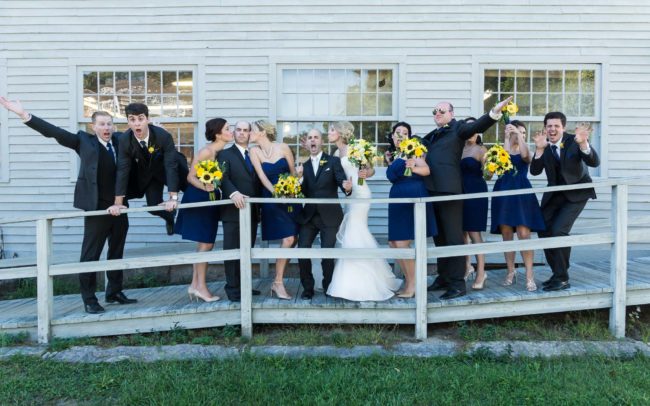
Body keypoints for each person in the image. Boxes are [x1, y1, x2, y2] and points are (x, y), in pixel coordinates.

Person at [0, 97, 137, 314]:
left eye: (109, 123)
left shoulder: (121, 141)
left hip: (120, 206)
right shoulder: (84, 141)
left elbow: (140, 134)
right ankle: (89, 298)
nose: (106, 127)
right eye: (101, 124)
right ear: (93, 127)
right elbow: (54, 131)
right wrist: (23, 114)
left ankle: (114, 291)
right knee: (90, 254)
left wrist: (153, 128)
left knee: (116, 250)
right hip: (96, 207)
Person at [421, 96, 512, 300]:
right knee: (440, 238)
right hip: (432, 191)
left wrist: (494, 112)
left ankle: (457, 283)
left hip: (450, 192)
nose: (437, 114)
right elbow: (418, 144)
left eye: (441, 111)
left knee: (453, 239)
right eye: (434, 111)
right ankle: (443, 278)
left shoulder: (458, 129)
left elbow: (478, 125)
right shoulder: (433, 135)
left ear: (451, 114)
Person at [325, 121, 402, 301]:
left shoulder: (355, 148)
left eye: (331, 130)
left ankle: (355, 284)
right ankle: (352, 280)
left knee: (353, 230)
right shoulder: (336, 153)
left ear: (340, 132)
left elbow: (371, 170)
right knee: (355, 231)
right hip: (350, 195)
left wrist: (365, 174)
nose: (328, 133)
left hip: (362, 193)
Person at [530, 112, 600, 291]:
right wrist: (539, 150)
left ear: (563, 128)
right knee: (543, 229)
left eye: (556, 126)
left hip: (577, 193)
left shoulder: (574, 141)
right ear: (545, 128)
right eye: (549, 126)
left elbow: (594, 162)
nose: (552, 129)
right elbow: (535, 171)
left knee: (558, 231)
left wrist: (584, 143)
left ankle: (562, 278)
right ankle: (558, 272)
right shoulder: (544, 144)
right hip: (555, 194)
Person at [174, 118, 233, 302]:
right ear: (218, 134)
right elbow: (190, 176)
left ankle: (194, 285)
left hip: (212, 200)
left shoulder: (222, 152)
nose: (231, 132)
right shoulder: (207, 151)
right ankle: (201, 287)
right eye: (228, 129)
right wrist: (206, 188)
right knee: (206, 244)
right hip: (199, 198)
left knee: (205, 244)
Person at [107, 103, 188, 235]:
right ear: (128, 122)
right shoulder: (124, 140)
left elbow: (170, 166)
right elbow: (123, 169)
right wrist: (117, 202)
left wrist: (173, 197)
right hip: (146, 175)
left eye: (141, 118)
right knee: (153, 207)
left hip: (164, 171)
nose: (137, 123)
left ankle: (178, 215)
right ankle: (169, 217)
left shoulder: (163, 136)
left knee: (184, 192)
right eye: (132, 119)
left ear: (148, 119)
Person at [295, 128, 352, 299]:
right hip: (309, 217)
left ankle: (329, 287)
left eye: (316, 137)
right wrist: (299, 179)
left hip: (330, 215)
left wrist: (347, 189)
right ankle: (307, 288)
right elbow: (302, 193)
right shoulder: (303, 166)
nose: (313, 140)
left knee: (328, 253)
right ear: (307, 143)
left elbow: (341, 181)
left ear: (321, 142)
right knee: (302, 250)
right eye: (310, 138)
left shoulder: (333, 161)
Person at [490, 121, 545, 292]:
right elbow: (502, 162)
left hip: (521, 191)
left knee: (523, 233)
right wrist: (507, 137)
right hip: (503, 190)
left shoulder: (525, 148)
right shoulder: (502, 148)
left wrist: (520, 136)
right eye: (516, 131)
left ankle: (529, 275)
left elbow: (526, 157)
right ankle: (510, 271)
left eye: (523, 132)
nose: (519, 134)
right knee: (506, 233)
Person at [248, 120, 299, 300]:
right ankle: (278, 283)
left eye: (252, 130)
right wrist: (277, 193)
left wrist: (290, 191)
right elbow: (262, 177)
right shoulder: (253, 151)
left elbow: (293, 173)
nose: (249, 134)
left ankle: (278, 281)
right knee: (288, 238)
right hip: (271, 199)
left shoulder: (283, 147)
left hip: (290, 198)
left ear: (262, 132)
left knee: (292, 239)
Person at [385, 122, 437, 298]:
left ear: (409, 136)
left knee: (401, 243)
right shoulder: (395, 154)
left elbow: (426, 170)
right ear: (392, 136)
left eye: (405, 133)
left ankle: (413, 284)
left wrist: (412, 165)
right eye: (397, 132)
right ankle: (410, 281)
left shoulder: (414, 149)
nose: (400, 135)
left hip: (411, 194)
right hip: (397, 197)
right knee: (393, 243)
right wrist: (390, 162)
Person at [217, 121, 262, 302]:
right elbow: (222, 177)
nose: (242, 133)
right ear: (234, 133)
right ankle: (233, 290)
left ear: (250, 134)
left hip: (252, 211)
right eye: (239, 130)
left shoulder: (255, 154)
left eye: (246, 130)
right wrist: (233, 192)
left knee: (247, 251)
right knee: (232, 251)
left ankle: (245, 286)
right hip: (232, 210)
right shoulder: (224, 154)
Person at [460, 117, 489, 290]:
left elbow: (488, 175)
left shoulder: (481, 150)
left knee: (473, 232)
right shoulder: (458, 149)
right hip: (459, 192)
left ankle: (481, 272)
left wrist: (492, 168)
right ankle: (467, 266)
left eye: (474, 129)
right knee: (462, 231)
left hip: (476, 192)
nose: (471, 133)